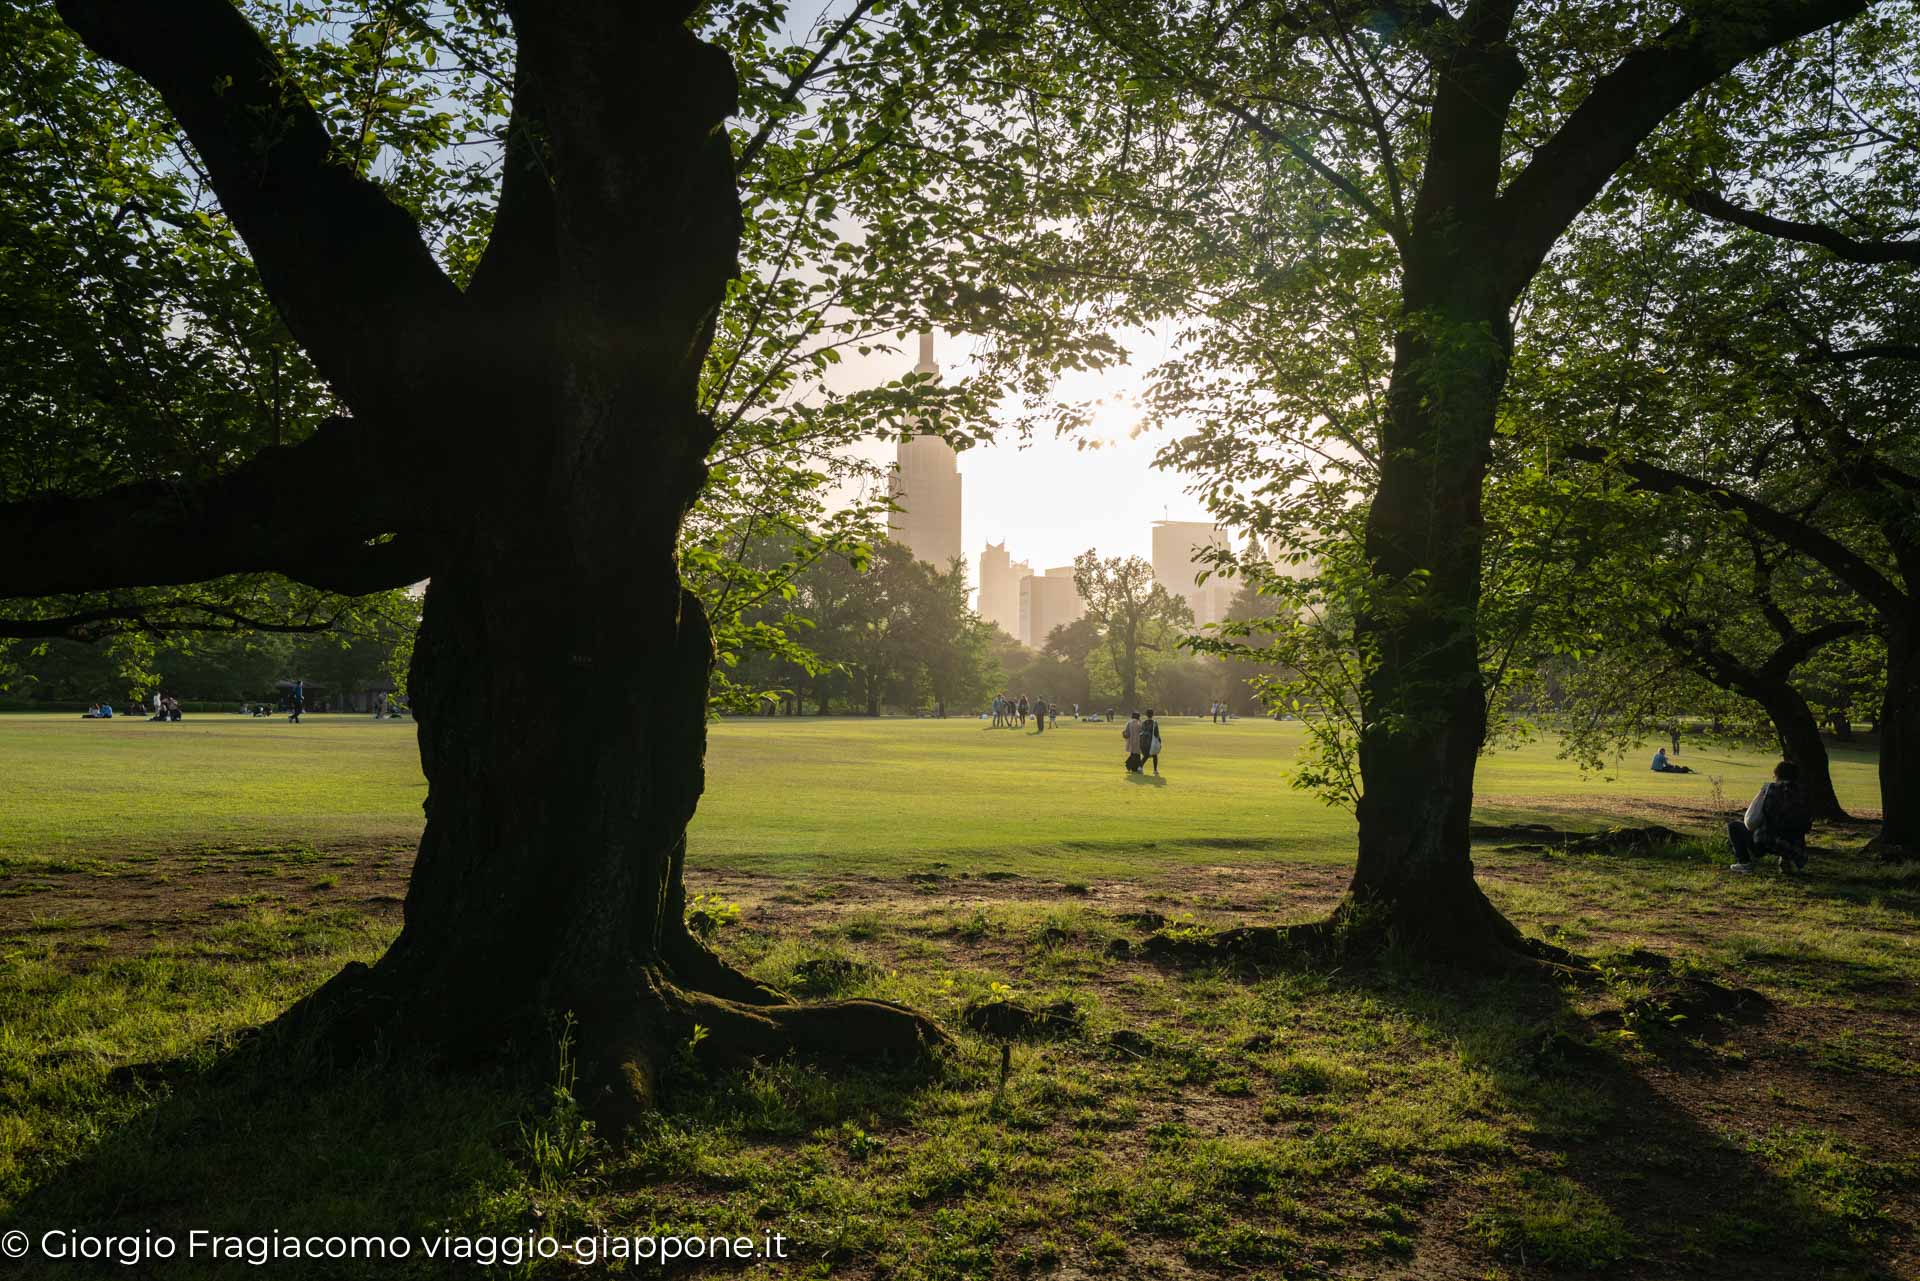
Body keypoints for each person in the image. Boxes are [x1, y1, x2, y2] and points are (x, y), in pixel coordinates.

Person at [1729, 760, 1813, 873]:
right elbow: (1807, 824)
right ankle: (1786, 860)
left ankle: (1744, 863)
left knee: (1734, 826)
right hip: (1794, 847)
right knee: (1787, 828)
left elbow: (1753, 820)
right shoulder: (1803, 794)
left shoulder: (1770, 789)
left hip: (1767, 842)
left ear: (1776, 774)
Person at [1140, 708, 1162, 776]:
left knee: (1146, 755)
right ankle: (1155, 770)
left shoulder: (1143, 722)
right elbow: (1156, 733)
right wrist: (1159, 740)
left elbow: (1141, 731)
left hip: (1144, 740)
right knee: (1154, 755)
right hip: (1151, 741)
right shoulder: (1154, 723)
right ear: (1153, 714)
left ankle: (1140, 767)